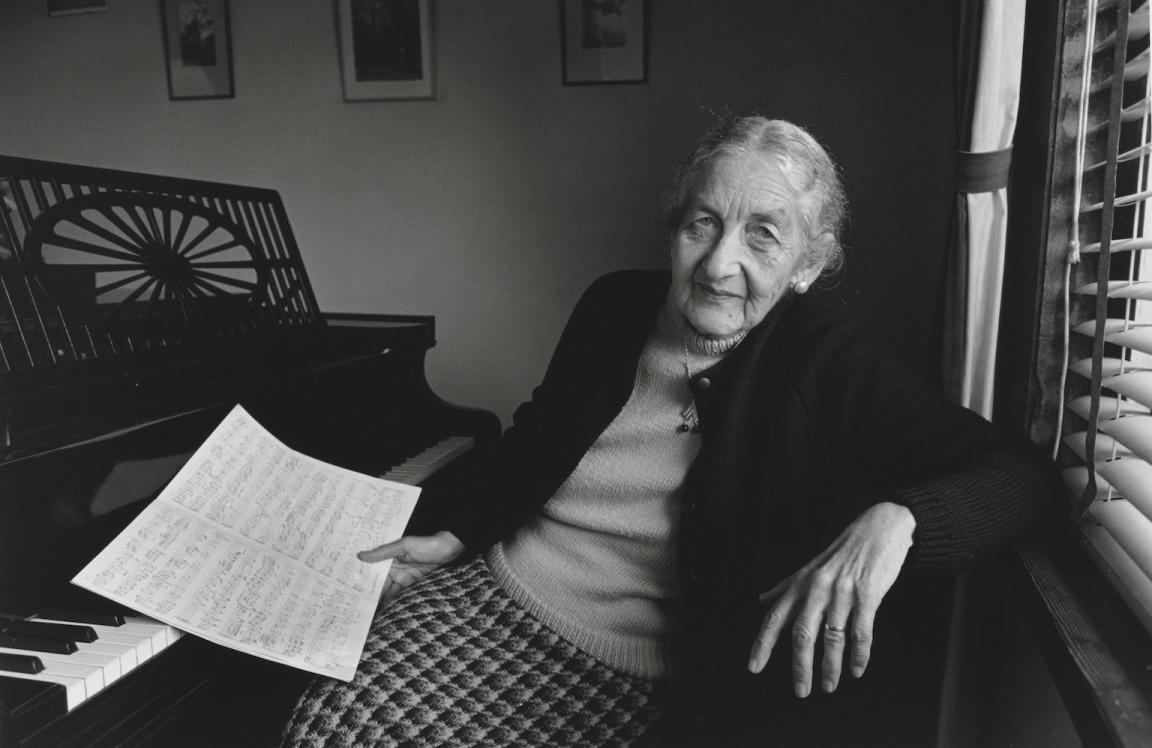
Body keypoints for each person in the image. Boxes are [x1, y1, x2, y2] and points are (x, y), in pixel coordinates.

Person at [280, 117, 1056, 747]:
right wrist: (455, 537)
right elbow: (534, 441)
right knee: (325, 724)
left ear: (809, 266)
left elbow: (1022, 473)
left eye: (762, 236)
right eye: (703, 224)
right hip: (493, 593)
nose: (719, 264)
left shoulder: (824, 361)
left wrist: (901, 520)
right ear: (675, 228)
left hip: (623, 675)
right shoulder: (613, 306)